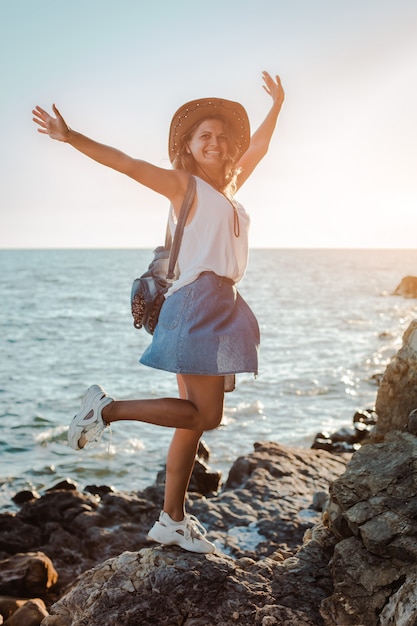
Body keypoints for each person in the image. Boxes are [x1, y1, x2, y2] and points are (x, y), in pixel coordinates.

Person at [32, 71, 284, 554]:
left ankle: (171, 519)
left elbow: (262, 148)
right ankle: (106, 409)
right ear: (188, 147)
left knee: (191, 421)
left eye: (221, 136)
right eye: (203, 136)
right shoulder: (183, 185)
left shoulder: (227, 193)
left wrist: (278, 105)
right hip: (200, 303)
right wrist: (70, 137)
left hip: (214, 303)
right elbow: (127, 164)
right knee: (205, 416)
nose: (215, 141)